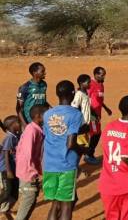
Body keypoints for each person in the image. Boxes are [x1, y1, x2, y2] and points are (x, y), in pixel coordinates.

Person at [42, 80, 87, 220]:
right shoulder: (75, 114)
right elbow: (70, 143)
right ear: (73, 93)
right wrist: (82, 150)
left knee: (55, 203)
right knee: (67, 204)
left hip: (49, 164)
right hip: (66, 165)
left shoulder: (47, 114)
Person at [14, 105, 46, 220]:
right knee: (28, 201)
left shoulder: (35, 129)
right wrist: (32, 173)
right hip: (28, 174)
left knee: (30, 201)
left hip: (27, 172)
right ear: (38, 116)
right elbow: (27, 154)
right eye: (45, 115)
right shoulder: (32, 130)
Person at [86, 66, 113, 166]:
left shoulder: (101, 84)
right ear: (96, 74)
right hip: (92, 114)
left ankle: (88, 153)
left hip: (97, 114)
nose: (103, 77)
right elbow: (86, 100)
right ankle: (88, 155)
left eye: (104, 75)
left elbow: (99, 100)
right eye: (102, 75)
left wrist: (106, 108)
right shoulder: (90, 84)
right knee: (96, 134)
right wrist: (93, 114)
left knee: (94, 133)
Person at [1, 116, 20, 220]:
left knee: (14, 193)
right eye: (18, 122)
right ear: (12, 125)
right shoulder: (9, 138)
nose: (20, 124)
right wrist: (8, 171)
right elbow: (6, 153)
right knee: (7, 192)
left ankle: (6, 211)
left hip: (14, 169)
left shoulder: (15, 135)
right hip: (6, 169)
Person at [16, 62, 47, 127]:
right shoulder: (24, 87)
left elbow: (43, 100)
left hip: (41, 120)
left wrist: (53, 110)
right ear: (34, 73)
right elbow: (18, 109)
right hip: (29, 122)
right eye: (42, 71)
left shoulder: (44, 85)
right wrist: (25, 125)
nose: (45, 73)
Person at [71, 74, 94, 162]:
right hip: (81, 125)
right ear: (81, 83)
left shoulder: (85, 93)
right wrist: (80, 123)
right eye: (88, 82)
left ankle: (76, 165)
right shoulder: (79, 94)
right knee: (81, 147)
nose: (90, 84)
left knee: (84, 145)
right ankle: (75, 165)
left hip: (86, 124)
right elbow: (74, 108)